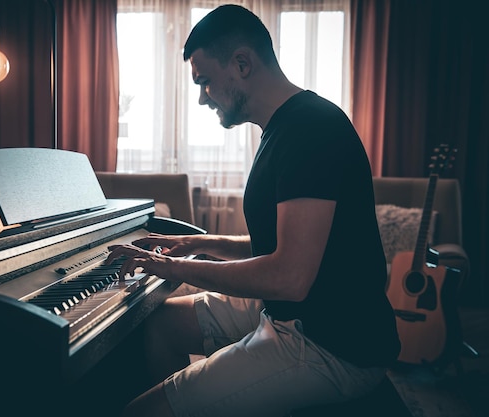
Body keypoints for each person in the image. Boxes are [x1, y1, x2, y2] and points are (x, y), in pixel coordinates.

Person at [106, 4, 400, 417]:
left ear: (242, 63)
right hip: (294, 314)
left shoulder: (311, 131)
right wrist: (190, 242)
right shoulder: (283, 129)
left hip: (332, 343)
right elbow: (276, 247)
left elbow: (289, 277)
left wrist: (173, 269)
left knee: (141, 410)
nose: (201, 97)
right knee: (159, 326)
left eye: (205, 81)